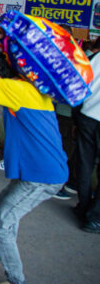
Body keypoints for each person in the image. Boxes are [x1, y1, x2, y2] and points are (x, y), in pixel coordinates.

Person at [0, 27, 67, 284]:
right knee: (5, 199)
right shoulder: (29, 87)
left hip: (42, 176)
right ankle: (2, 245)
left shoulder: (15, 89)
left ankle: (16, 280)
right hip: (39, 169)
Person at [73, 50, 100, 233]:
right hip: (89, 118)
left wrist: (76, 119)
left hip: (87, 116)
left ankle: (83, 207)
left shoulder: (93, 58)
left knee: (84, 164)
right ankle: (94, 217)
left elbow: (77, 88)